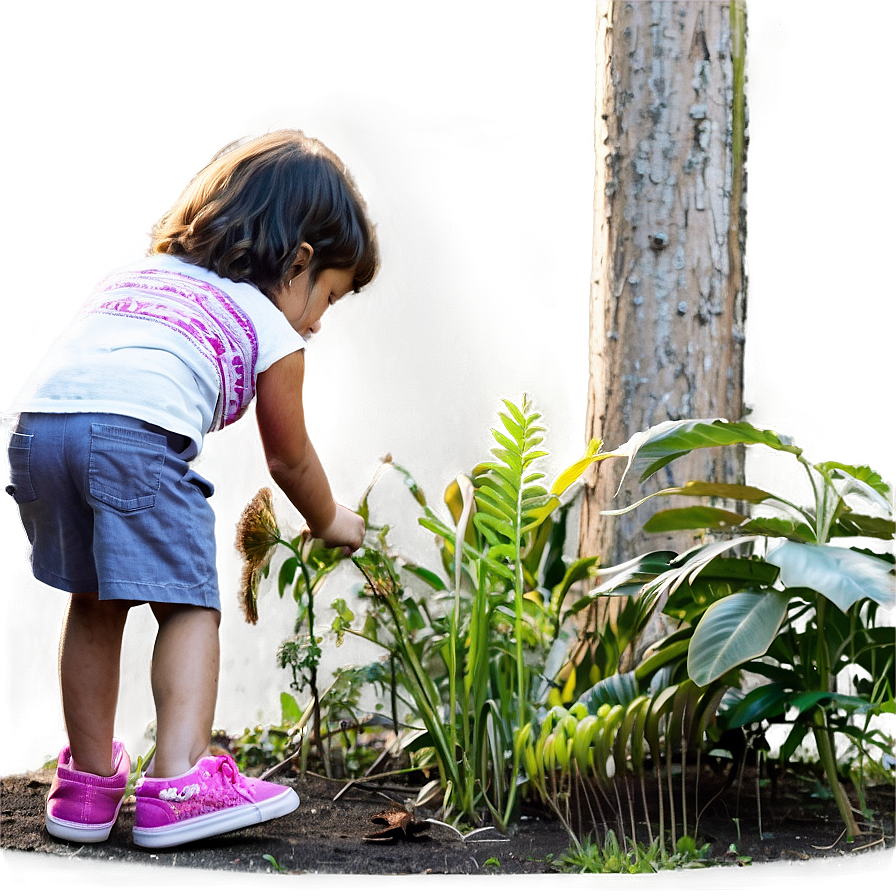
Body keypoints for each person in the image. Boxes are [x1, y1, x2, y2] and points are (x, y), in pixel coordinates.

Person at [2, 129, 377, 848]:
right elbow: (289, 459)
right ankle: (179, 783)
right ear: (298, 261)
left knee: (95, 594)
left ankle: (85, 787)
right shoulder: (272, 326)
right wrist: (332, 520)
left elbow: (92, 367)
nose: (321, 319)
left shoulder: (133, 275)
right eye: (327, 294)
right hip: (132, 436)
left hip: (36, 427)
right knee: (187, 604)